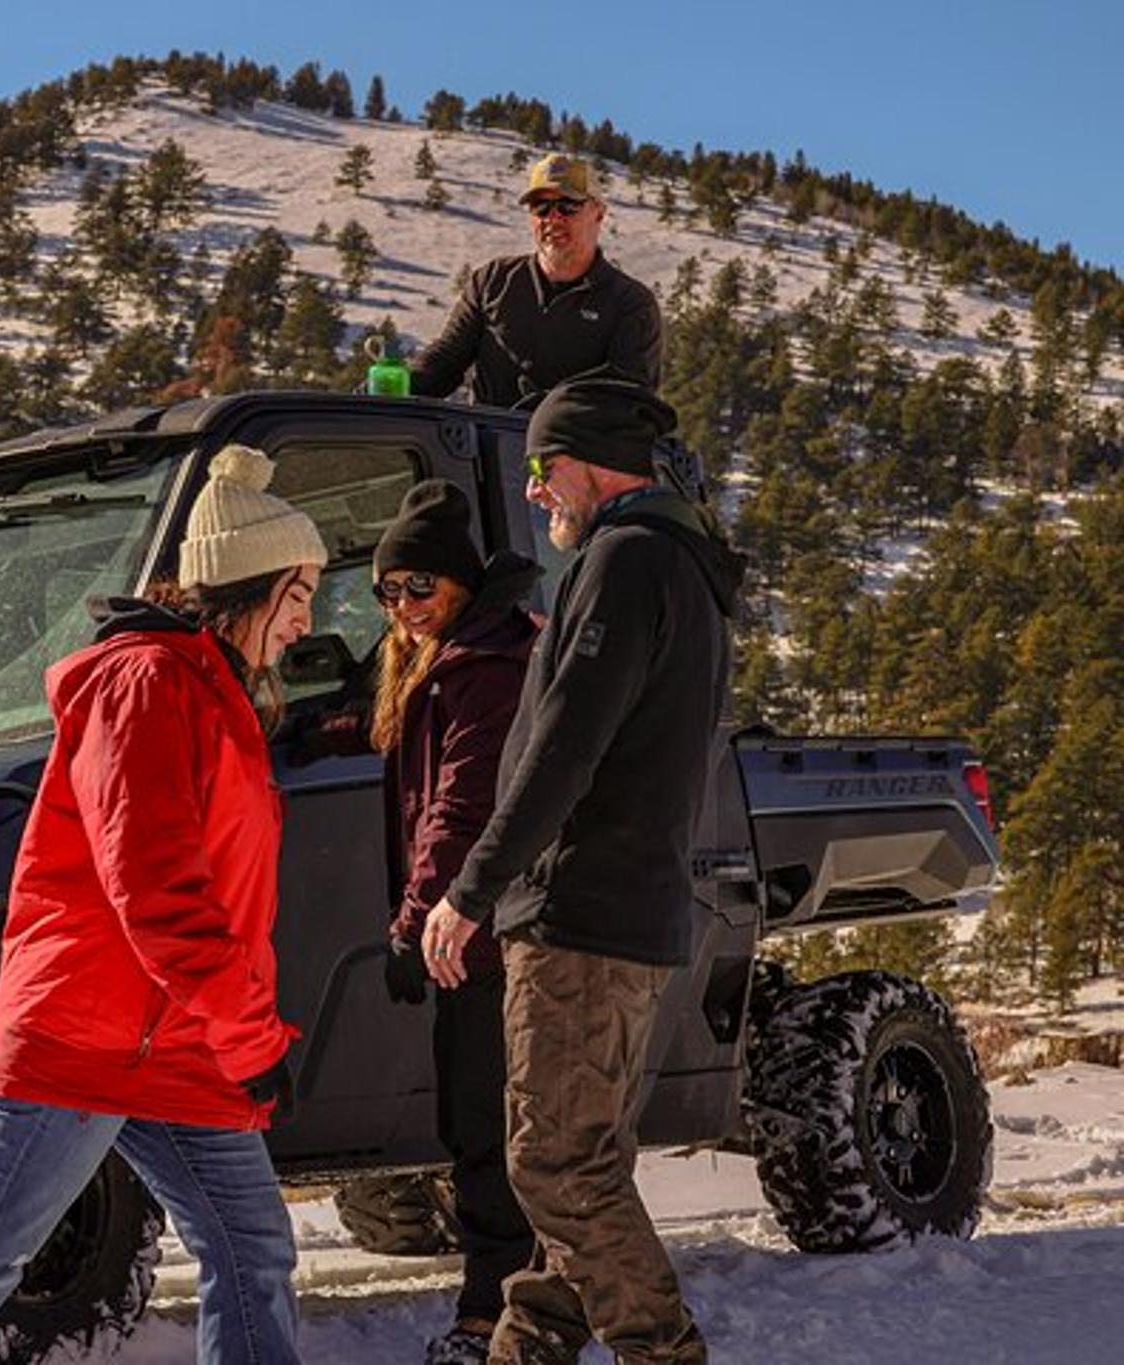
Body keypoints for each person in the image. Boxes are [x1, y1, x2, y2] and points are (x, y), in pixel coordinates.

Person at [0, 443, 328, 1365]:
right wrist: (250, 1034)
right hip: (89, 1031)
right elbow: (154, 888)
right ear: (249, 585)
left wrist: (229, 1029)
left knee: (252, 1245)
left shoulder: (212, 690)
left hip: (173, 1038)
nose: (306, 622)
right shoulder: (146, 681)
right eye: (300, 594)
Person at [420, 375, 742, 1365]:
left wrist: (469, 891)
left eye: (540, 470)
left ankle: (662, 1353)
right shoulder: (672, 563)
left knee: (558, 1168)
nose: (529, 494)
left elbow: (563, 747)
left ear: (597, 465)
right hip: (621, 917)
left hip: (579, 918)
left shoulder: (626, 560)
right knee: (575, 1163)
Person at [368, 480, 540, 1365]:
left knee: (487, 1126)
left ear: (463, 586)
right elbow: (393, 750)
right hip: (461, 931)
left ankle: (495, 1313)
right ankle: (519, 1293)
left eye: (419, 588)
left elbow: (459, 806)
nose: (403, 606)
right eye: (388, 590)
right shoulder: (430, 662)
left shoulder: (489, 670)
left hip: (487, 931)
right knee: (475, 1120)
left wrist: (412, 922)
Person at [411, 154, 662, 407]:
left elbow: (629, 401)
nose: (553, 218)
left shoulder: (630, 304)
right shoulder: (492, 281)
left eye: (568, 205)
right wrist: (391, 388)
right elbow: (445, 361)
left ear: (598, 213)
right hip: (484, 439)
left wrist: (553, 415)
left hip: (574, 443)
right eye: (541, 207)